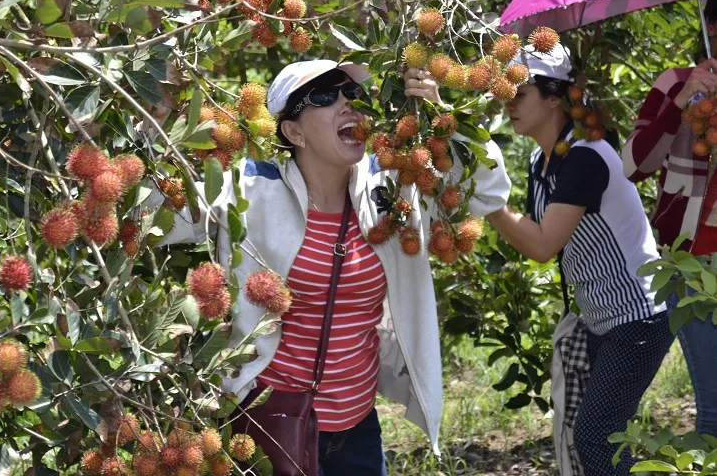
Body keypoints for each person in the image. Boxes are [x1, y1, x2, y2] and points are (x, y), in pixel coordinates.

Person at [158, 59, 511, 475]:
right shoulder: (250, 189)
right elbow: (159, 218)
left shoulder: (392, 188)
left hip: (358, 423)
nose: (347, 103)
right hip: (274, 418)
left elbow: (486, 193)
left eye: (353, 94)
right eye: (325, 96)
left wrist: (439, 115)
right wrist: (154, 122)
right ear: (293, 131)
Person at [484, 44, 673, 476]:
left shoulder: (586, 157)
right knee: (597, 436)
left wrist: (489, 206)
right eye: (506, 90)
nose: (508, 101)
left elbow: (541, 245)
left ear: (554, 97)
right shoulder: (541, 162)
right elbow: (536, 232)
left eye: (521, 91)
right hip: (599, 317)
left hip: (637, 318)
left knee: (595, 432)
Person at [621, 0, 717, 438]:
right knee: (714, 406)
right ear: (710, 28)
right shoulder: (674, 83)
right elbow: (632, 166)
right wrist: (679, 105)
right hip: (689, 263)